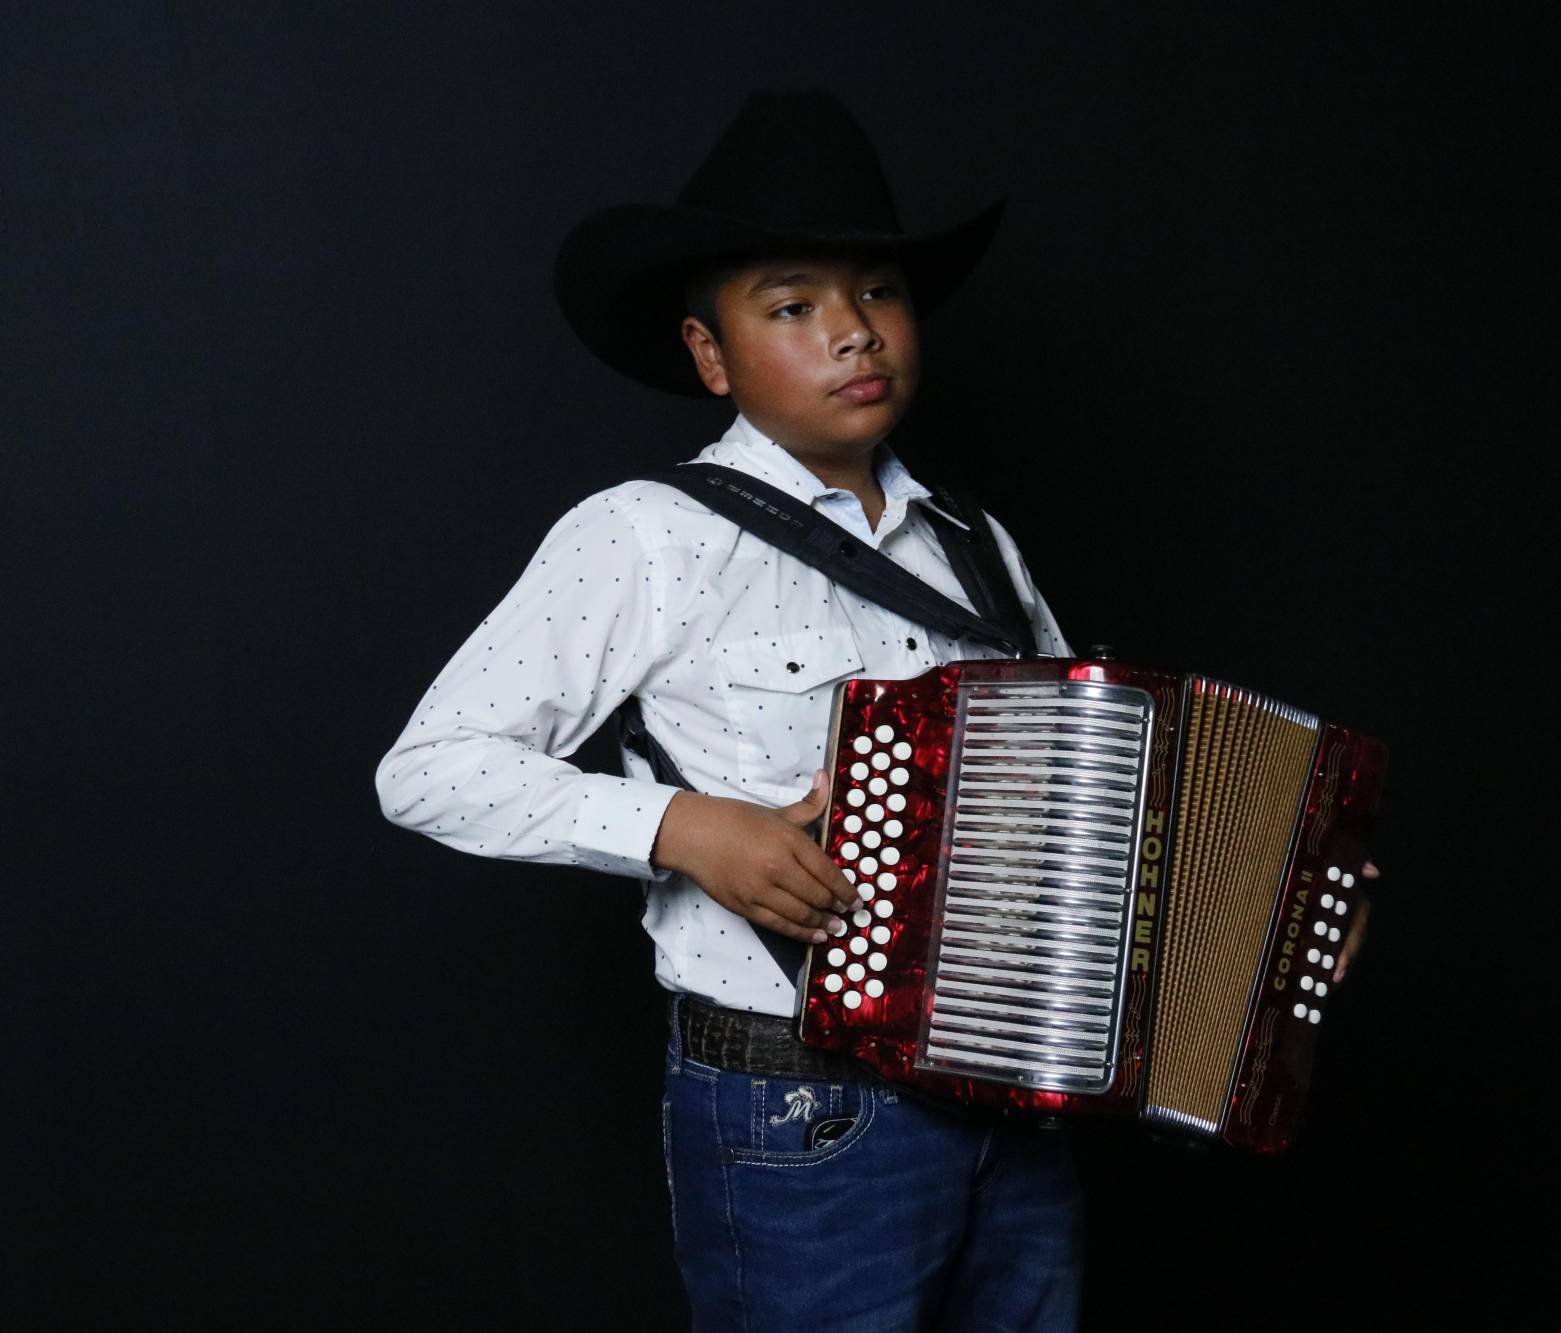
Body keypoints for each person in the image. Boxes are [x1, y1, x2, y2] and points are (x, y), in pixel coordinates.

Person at [375, 88, 1375, 1331]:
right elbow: (429, 767)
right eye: (793, 305)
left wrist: (1276, 923)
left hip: (1015, 1108)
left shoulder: (977, 544)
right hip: (801, 1118)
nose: (853, 332)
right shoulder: (645, 535)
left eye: (879, 296)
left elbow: (1113, 802)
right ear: (709, 353)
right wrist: (686, 827)